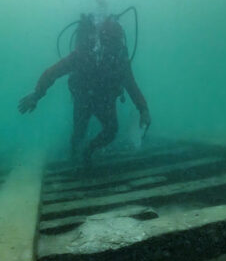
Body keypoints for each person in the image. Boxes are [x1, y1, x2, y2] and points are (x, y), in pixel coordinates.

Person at [18, 13, 151, 166]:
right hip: (84, 97)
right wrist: (36, 94)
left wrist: (143, 109)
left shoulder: (119, 58)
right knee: (80, 132)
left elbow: (130, 84)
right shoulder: (83, 55)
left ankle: (87, 152)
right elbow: (52, 73)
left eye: (115, 44)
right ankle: (76, 155)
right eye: (110, 43)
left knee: (110, 130)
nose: (111, 49)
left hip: (102, 99)